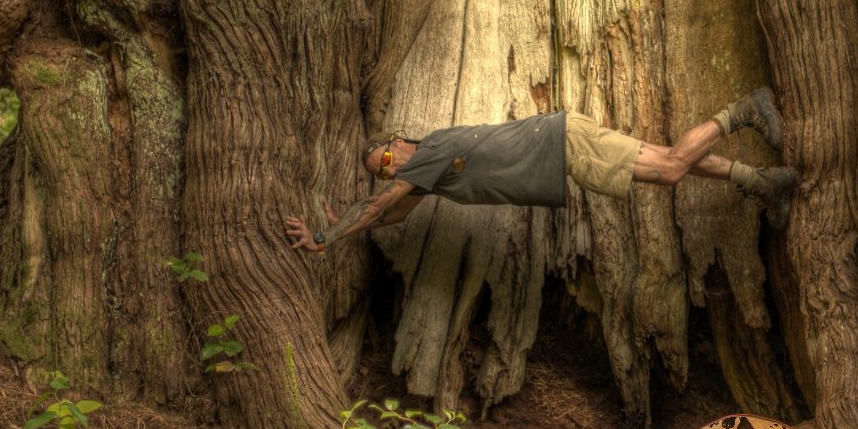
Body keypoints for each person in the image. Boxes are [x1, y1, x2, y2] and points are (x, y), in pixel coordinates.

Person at [284, 88, 798, 255]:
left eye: (386, 161)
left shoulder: (431, 152)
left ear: (399, 143)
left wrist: (326, 236)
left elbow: (380, 204)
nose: (391, 172)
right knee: (668, 158)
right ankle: (760, 181)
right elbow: (391, 215)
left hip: (564, 146)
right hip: (564, 142)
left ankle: (742, 111)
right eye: (383, 172)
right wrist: (350, 224)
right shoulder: (431, 174)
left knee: (667, 170)